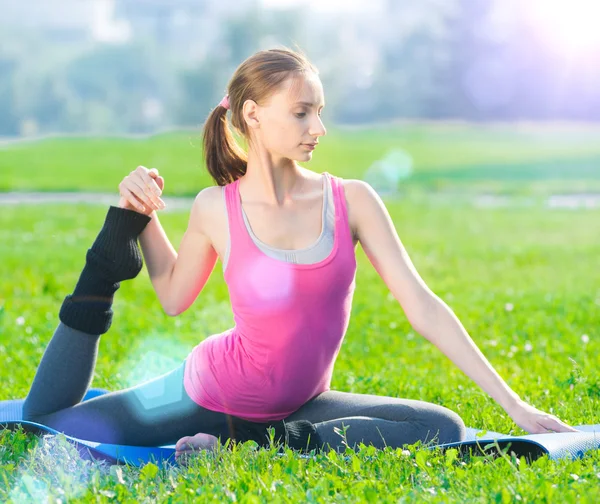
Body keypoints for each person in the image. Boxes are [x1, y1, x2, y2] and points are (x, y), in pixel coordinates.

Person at [22, 47, 577, 465]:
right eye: (302, 113)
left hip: (303, 406)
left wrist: (516, 408)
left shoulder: (352, 199)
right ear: (254, 115)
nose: (319, 128)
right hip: (208, 394)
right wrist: (139, 218)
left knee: (442, 426)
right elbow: (172, 296)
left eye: (320, 112)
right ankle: (102, 266)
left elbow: (424, 307)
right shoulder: (217, 207)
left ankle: (253, 445)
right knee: (47, 424)